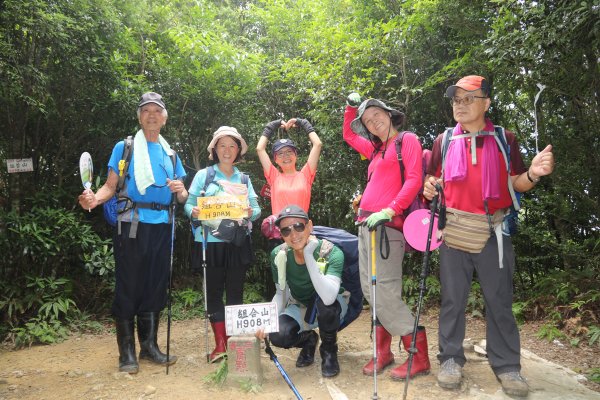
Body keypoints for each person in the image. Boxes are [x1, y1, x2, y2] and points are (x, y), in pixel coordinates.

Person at [423, 75, 555, 397]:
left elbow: (517, 183)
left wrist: (534, 174)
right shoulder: (443, 140)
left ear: (486, 103)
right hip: (453, 232)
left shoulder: (504, 138)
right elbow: (432, 179)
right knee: (453, 301)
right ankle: (450, 359)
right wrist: (428, 186)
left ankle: (508, 365)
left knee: (499, 302)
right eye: (456, 99)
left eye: (469, 98)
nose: (460, 104)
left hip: (494, 231)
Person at [78, 92, 188, 374]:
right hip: (132, 224)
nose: (151, 115)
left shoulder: (170, 153)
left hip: (162, 226)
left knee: (155, 285)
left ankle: (149, 347)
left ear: (164, 118)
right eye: (146, 110)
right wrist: (95, 199)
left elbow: (183, 196)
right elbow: (110, 186)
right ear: (139, 116)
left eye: (156, 111)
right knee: (129, 284)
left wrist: (181, 191)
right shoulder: (125, 147)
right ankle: (126, 352)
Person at [343, 93, 431, 380]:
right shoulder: (376, 150)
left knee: (386, 290)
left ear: (389, 114)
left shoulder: (408, 141)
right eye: (367, 121)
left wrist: (391, 209)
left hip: (388, 227)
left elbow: (414, 179)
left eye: (376, 115)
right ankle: (383, 352)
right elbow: (347, 134)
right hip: (365, 225)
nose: (373, 122)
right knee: (370, 290)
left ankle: (417, 355)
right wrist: (350, 107)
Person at [185, 126, 261, 362]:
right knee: (214, 292)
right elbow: (188, 205)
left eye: (232, 145)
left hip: (237, 243)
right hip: (210, 243)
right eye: (222, 145)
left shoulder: (244, 179)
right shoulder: (204, 176)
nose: (227, 150)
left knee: (236, 292)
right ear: (214, 149)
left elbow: (256, 210)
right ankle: (220, 344)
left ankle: (234, 341)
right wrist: (194, 212)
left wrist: (250, 212)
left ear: (238, 150)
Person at [255, 204, 348, 378]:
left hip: (332, 306)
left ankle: (329, 350)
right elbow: (281, 294)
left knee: (325, 305)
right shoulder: (279, 255)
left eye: (298, 226)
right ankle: (308, 340)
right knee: (278, 334)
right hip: (299, 305)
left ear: (310, 226)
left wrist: (308, 255)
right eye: (286, 231)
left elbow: (328, 297)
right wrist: (268, 320)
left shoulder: (330, 251)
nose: (293, 234)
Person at [256, 118, 322, 248]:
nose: (285, 156)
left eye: (289, 152)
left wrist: (303, 123)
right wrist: (270, 127)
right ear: (275, 159)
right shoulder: (274, 176)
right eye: (280, 153)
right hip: (280, 233)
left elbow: (318, 144)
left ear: (296, 155)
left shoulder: (306, 174)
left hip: (301, 231)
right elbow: (260, 149)